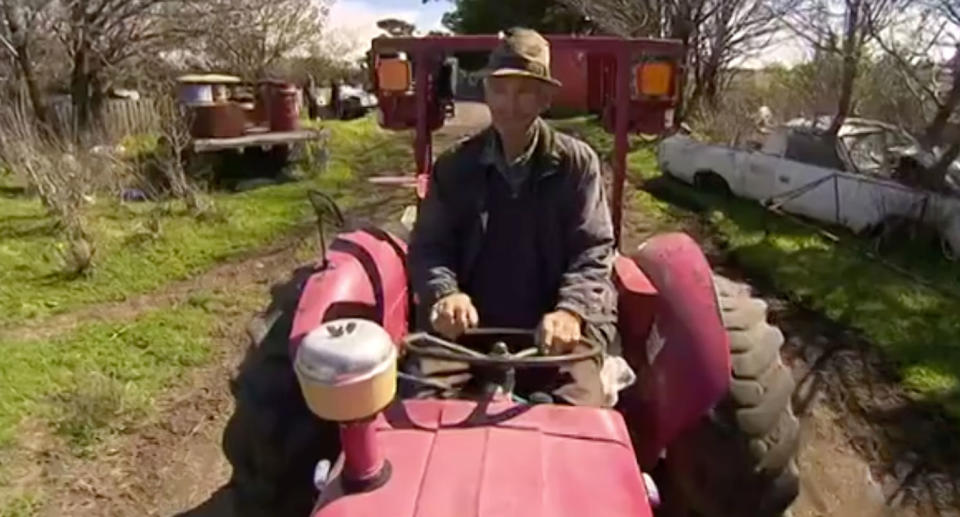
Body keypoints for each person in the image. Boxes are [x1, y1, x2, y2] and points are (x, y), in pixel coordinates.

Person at [407, 27, 619, 407]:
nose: (510, 103)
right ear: (486, 92)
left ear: (545, 97)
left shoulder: (576, 163)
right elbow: (430, 245)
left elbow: (594, 249)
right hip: (466, 331)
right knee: (420, 407)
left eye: (524, 91)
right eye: (500, 90)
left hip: (554, 332)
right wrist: (445, 294)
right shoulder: (456, 166)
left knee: (581, 417)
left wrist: (571, 311)